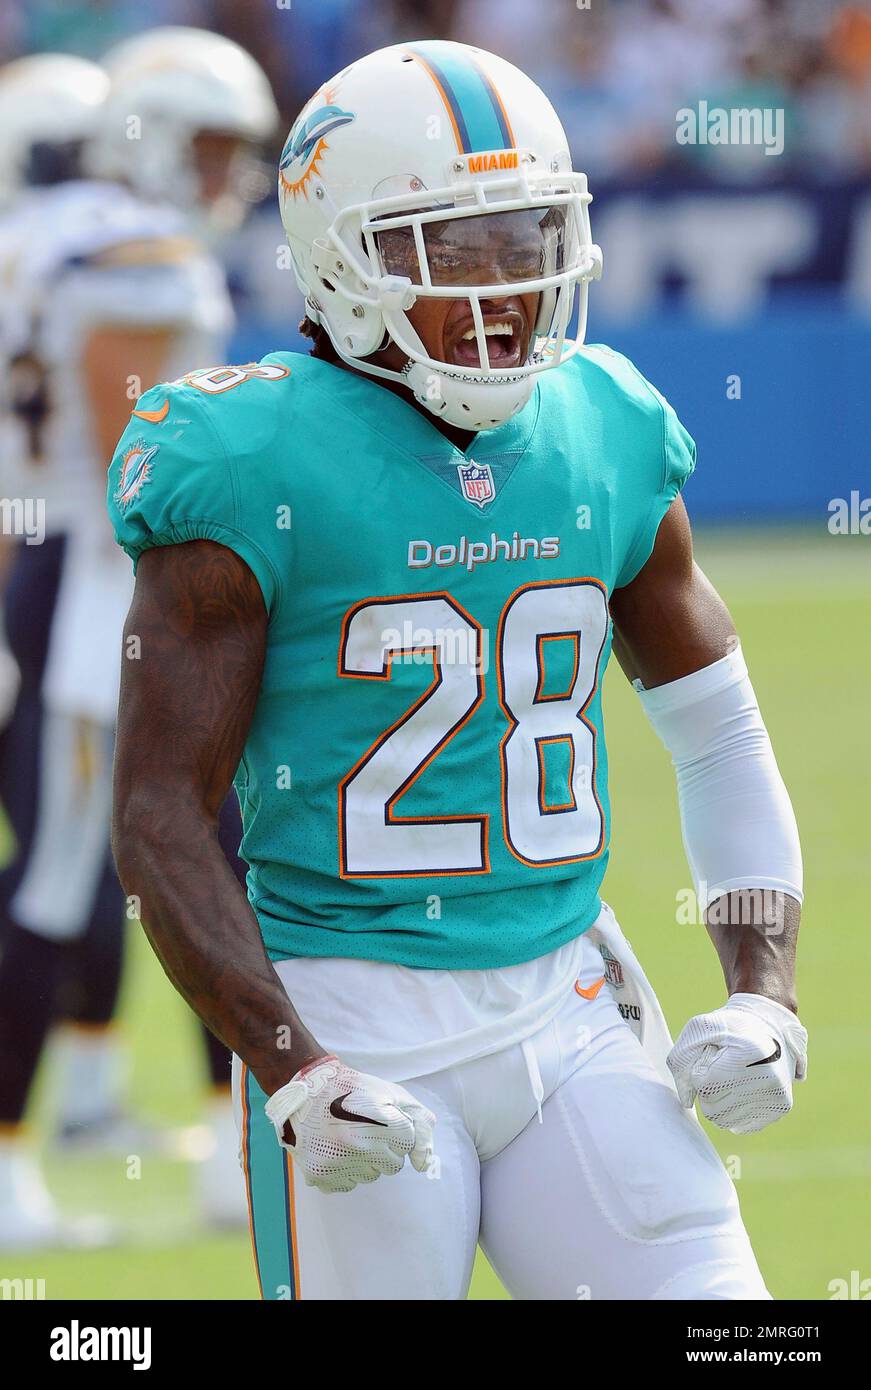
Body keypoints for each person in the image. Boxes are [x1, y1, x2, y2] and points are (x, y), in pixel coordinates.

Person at [108, 40, 806, 1300]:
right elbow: (158, 812)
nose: (512, 285)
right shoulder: (250, 455)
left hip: (573, 1003)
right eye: (455, 246)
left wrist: (765, 997)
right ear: (340, 256)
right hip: (351, 1020)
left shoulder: (607, 425)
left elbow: (720, 735)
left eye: (530, 235)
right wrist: (293, 1068)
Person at [0, 31, 277, 1248]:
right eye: (209, 146)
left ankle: (234, 1149)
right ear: (149, 137)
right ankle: (8, 1165)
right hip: (102, 581)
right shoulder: (135, 256)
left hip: (71, 568)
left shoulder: (42, 235)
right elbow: (138, 463)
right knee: (63, 875)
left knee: (213, 852)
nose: (223, 175)